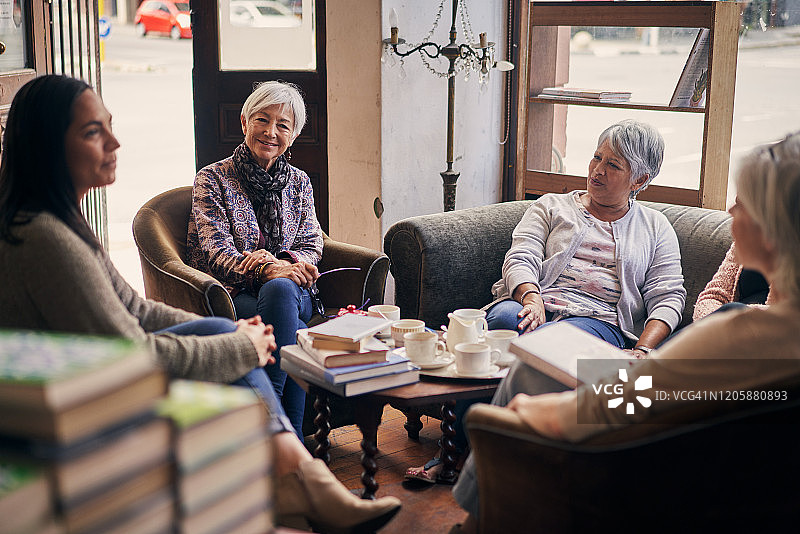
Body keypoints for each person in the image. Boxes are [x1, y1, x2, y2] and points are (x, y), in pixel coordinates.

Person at [0, 74, 400, 534]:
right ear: (47, 144)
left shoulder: (61, 225)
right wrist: (242, 339)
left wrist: (237, 326)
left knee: (233, 323)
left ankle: (292, 473)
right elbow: (134, 354)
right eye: (94, 132)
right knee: (247, 322)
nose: (115, 142)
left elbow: (136, 309)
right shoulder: (47, 239)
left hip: (281, 293)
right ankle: (297, 470)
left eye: (110, 126)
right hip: (74, 408)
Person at [449, 131, 800, 533]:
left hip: (646, 483)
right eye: (596, 157)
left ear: (773, 231)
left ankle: (472, 512)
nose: (731, 210)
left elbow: (621, 402)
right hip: (733, 494)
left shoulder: (740, 332)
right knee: (521, 349)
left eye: (743, 203)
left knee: (524, 381)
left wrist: (524, 412)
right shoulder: (766, 334)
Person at [406, 119, 686, 482]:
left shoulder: (656, 228)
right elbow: (520, 257)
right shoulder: (552, 206)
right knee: (499, 325)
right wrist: (532, 297)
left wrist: (643, 350)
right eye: (597, 157)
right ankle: (465, 452)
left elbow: (668, 295)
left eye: (613, 165)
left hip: (598, 321)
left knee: (549, 346)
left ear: (640, 180)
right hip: (532, 302)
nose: (597, 171)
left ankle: (467, 457)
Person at [186, 81, 322, 439]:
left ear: (294, 135)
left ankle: (270, 425)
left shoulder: (299, 183)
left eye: (283, 125)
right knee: (294, 325)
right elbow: (217, 253)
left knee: (281, 290)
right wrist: (269, 269)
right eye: (262, 119)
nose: (271, 132)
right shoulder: (212, 179)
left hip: (293, 290)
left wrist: (287, 265)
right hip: (233, 292)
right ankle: (292, 439)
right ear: (245, 122)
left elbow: (311, 243)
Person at [692, 241, 772, 320]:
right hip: (725, 321)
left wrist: (739, 315)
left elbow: (778, 314)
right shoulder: (748, 237)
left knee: (733, 308)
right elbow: (712, 296)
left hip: (761, 323)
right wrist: (716, 321)